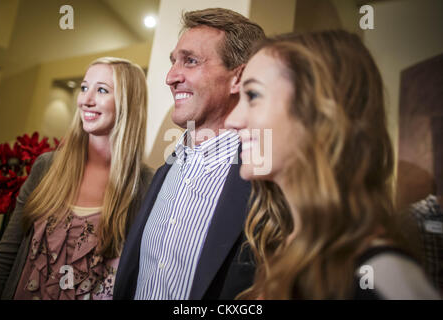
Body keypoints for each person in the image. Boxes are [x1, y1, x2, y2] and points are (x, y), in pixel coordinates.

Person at [224, 30, 441, 299]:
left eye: (253, 95)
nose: (232, 120)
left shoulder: (381, 278)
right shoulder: (285, 245)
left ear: (316, 111)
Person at [114, 8, 265, 300]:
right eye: (173, 62)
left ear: (239, 78)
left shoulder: (265, 182)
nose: (170, 77)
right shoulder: (161, 174)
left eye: (190, 61)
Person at [0, 57, 153, 300]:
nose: (86, 100)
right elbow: (6, 254)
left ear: (128, 103)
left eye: (102, 90)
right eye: (84, 87)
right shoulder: (46, 167)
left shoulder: (144, 185)